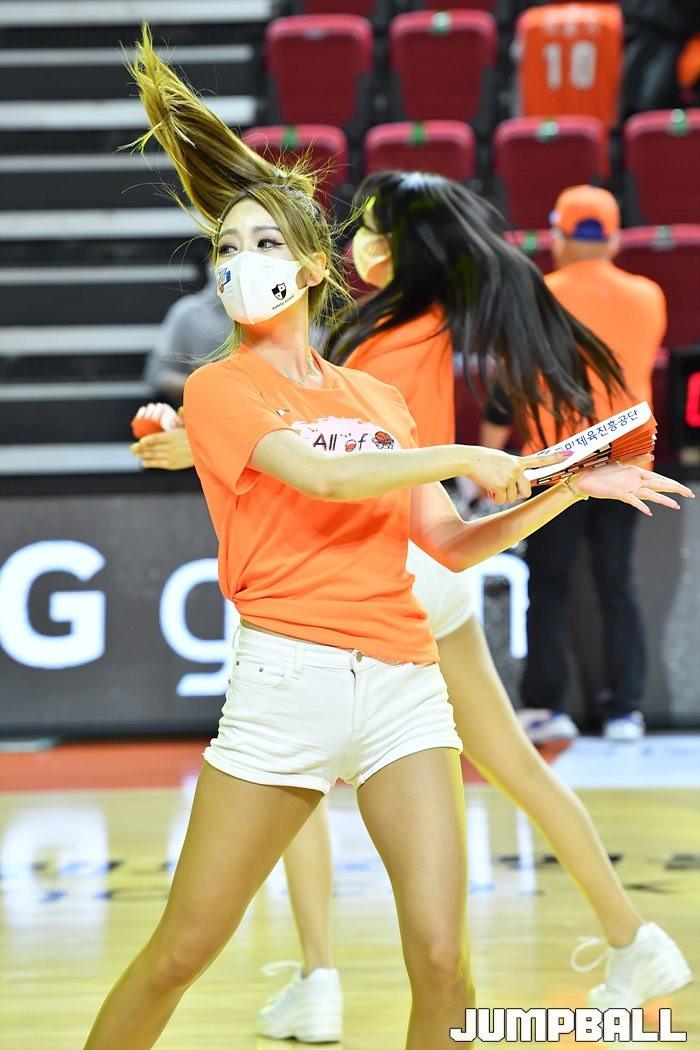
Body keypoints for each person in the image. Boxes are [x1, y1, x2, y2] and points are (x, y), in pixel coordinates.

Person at [130, 167, 693, 1045]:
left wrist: (566, 487)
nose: (240, 262)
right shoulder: (234, 382)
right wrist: (459, 454)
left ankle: (321, 977)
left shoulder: (375, 376)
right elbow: (318, 468)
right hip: (309, 659)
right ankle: (330, 972)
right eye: (227, 247)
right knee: (184, 950)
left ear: (321, 265)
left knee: (437, 950)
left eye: (265, 243)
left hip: (399, 652)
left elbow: (437, 533)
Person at [482, 186, 666, 747]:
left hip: (557, 461)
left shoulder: (535, 297)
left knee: (549, 585)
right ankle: (624, 711)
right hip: (629, 459)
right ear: (613, 238)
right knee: (617, 583)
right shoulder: (649, 295)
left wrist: (487, 460)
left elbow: (506, 390)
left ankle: (547, 707)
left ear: (559, 236)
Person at [143, 270, 232, 403]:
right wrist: (204, 387)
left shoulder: (262, 315)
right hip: (203, 408)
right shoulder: (188, 313)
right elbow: (157, 375)